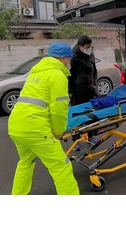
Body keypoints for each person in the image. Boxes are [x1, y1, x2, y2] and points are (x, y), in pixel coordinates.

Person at [8, 42, 80, 195]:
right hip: (36, 129)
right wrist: (59, 132)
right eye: (69, 59)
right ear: (62, 59)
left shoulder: (36, 72)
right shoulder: (57, 75)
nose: (70, 62)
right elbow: (59, 110)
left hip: (16, 126)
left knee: (26, 163)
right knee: (62, 167)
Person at [69, 35, 97, 106]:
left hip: (90, 90)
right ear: (80, 47)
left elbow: (94, 70)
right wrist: (70, 92)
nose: (89, 49)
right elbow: (70, 76)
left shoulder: (90, 55)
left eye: (90, 46)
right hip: (78, 92)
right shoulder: (73, 58)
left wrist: (94, 84)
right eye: (87, 47)